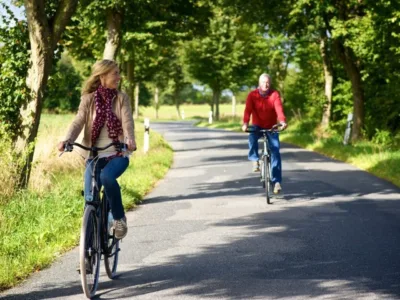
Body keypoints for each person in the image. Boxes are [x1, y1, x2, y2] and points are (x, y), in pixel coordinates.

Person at [58, 59, 136, 239]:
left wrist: (129, 139)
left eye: (118, 72)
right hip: (93, 156)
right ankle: (87, 254)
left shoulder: (121, 98)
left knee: (107, 177)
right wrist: (67, 139)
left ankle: (118, 218)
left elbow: (127, 122)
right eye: (115, 73)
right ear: (102, 76)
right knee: (89, 200)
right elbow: (78, 121)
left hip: (117, 153)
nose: (119, 77)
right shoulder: (88, 100)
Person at [241, 73, 287, 194]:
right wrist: (245, 123)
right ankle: (254, 160)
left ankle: (276, 182)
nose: (265, 85)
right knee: (252, 136)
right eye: (263, 82)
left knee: (275, 151)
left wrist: (282, 121)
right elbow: (248, 110)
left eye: (267, 82)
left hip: (271, 127)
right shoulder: (252, 95)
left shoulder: (274, 94)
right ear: (259, 83)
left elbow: (279, 109)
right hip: (257, 125)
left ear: (270, 84)